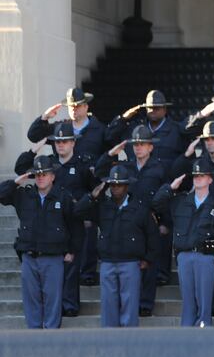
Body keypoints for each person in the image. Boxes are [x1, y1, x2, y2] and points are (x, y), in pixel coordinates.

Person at [14, 123, 95, 317]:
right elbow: (21, 169)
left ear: (73, 142)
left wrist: (86, 213)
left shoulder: (82, 164)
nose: (61, 145)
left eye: (65, 141)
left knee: (71, 266)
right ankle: (53, 307)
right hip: (50, 222)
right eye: (57, 141)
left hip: (72, 219)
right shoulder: (48, 164)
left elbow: (93, 191)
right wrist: (34, 150)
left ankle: (70, 305)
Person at [95, 125, 169, 316]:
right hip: (130, 220)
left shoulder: (160, 167)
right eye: (135, 144)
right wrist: (111, 154)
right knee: (132, 264)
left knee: (149, 264)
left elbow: (167, 195)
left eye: (142, 144)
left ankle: (145, 304)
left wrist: (165, 223)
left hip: (152, 218)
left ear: (150, 146)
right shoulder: (126, 167)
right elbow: (99, 172)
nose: (138, 148)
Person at [0, 156, 80, 329]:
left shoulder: (63, 197)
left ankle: (51, 336)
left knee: (53, 299)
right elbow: (1, 194)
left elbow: (75, 226)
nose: (40, 177)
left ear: (53, 176)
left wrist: (72, 250)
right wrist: (15, 182)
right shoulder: (24, 195)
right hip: (29, 257)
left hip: (53, 258)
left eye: (44, 174)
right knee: (31, 300)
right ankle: (34, 335)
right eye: (37, 174)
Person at [73, 165, 158, 327]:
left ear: (127, 186)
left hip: (131, 262)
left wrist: (148, 259)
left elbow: (152, 235)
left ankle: (129, 338)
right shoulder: (102, 205)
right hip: (107, 262)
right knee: (108, 305)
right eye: (112, 185)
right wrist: (92, 196)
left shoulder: (139, 207)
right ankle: (109, 337)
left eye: (119, 185)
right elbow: (77, 212)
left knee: (130, 304)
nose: (115, 188)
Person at [152, 159, 214, 326]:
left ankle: (203, 331)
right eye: (195, 176)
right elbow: (156, 204)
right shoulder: (181, 201)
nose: (198, 179)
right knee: (188, 301)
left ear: (210, 179)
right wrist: (171, 187)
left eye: (202, 175)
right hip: (184, 256)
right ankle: (187, 332)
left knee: (204, 301)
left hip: (206, 257)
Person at [105, 90, 189, 167]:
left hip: (166, 177)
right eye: (150, 108)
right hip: (137, 176)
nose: (153, 111)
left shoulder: (176, 130)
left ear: (164, 109)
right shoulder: (135, 129)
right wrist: (123, 118)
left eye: (157, 108)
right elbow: (109, 137)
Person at [27, 87, 108, 162]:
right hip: (63, 172)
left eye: (77, 105)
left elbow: (107, 157)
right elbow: (33, 136)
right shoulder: (59, 128)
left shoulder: (100, 130)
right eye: (71, 106)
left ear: (86, 106)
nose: (73, 109)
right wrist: (44, 117)